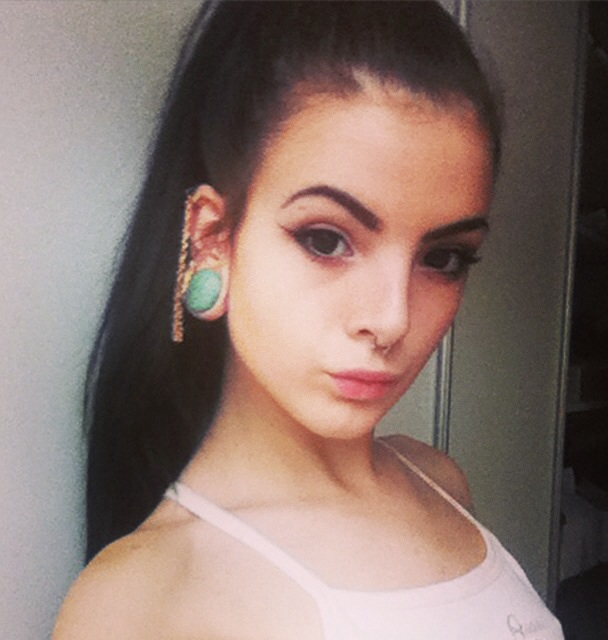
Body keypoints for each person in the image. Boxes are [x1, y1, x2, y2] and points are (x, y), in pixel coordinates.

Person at [53, 2, 563, 638]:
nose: (392, 319)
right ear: (212, 241)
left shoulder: (440, 481)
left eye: (443, 258)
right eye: (325, 240)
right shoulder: (139, 597)